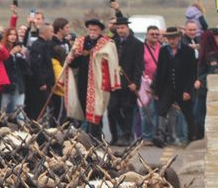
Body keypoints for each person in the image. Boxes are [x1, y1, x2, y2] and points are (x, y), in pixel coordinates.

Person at [61, 19, 120, 140]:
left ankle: (96, 137)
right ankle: (84, 137)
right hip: (83, 82)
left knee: (96, 110)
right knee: (83, 109)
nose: (92, 32)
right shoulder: (80, 42)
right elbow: (73, 63)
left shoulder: (107, 43)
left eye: (95, 30)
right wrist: (72, 58)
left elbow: (112, 63)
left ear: (100, 31)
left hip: (99, 83)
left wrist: (94, 55)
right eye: (91, 29)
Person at [151, 27, 197, 146]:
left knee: (188, 113)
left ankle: (192, 138)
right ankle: (160, 136)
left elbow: (192, 73)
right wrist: (156, 90)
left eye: (174, 38)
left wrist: (188, 91)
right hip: (168, 87)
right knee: (161, 110)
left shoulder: (188, 51)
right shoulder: (164, 51)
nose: (171, 41)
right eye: (169, 38)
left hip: (183, 88)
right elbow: (160, 71)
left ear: (179, 38)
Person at [108, 14, 144, 146]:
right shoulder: (112, 42)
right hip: (115, 83)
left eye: (123, 28)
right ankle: (124, 132)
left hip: (129, 83)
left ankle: (127, 136)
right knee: (112, 108)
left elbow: (139, 65)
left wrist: (136, 83)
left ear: (127, 28)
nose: (120, 30)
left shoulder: (137, 44)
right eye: (118, 28)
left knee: (128, 109)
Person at [25, 24, 56, 120]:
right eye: (51, 31)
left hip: (47, 82)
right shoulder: (38, 46)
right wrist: (41, 82)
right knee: (38, 109)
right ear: (45, 32)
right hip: (39, 85)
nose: (52, 34)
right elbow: (36, 65)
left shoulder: (45, 45)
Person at [139, 26, 163, 142]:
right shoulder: (141, 49)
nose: (154, 36)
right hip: (146, 84)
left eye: (156, 34)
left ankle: (156, 136)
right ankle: (147, 137)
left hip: (159, 84)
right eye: (152, 34)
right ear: (147, 35)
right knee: (146, 112)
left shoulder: (163, 48)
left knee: (157, 112)